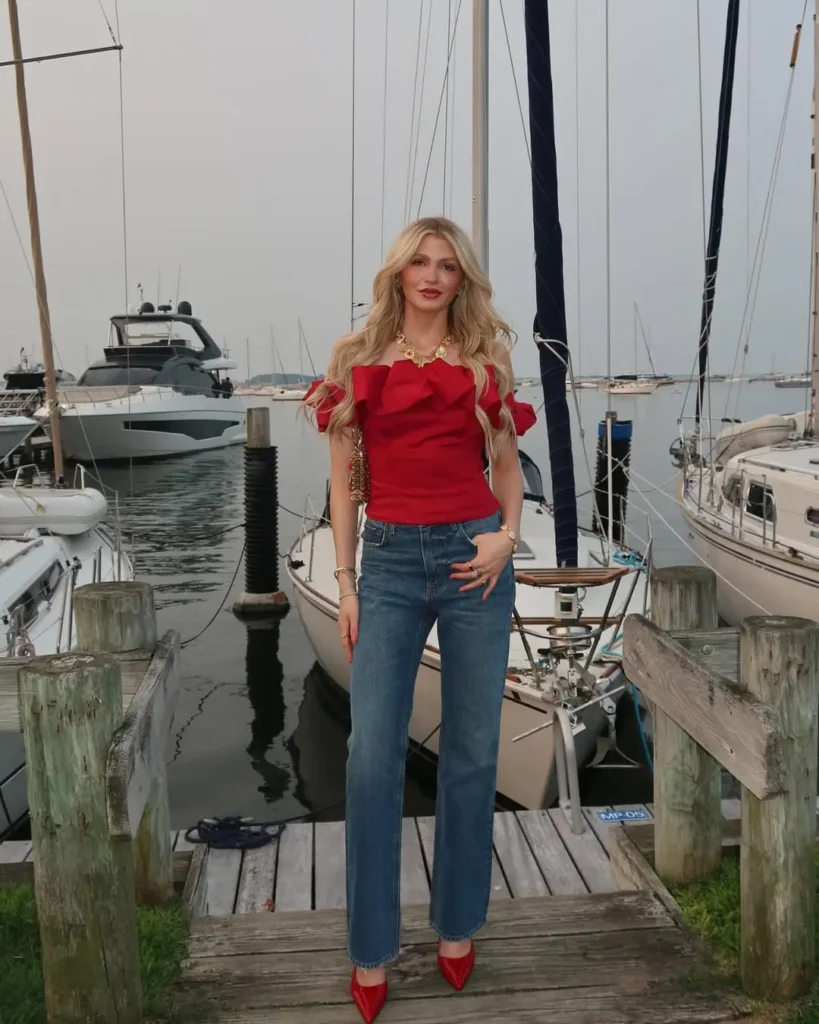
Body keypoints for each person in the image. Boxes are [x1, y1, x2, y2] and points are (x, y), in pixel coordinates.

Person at [304, 216, 535, 1022]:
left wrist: (506, 539)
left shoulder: (484, 364)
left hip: (477, 560)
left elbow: (505, 470)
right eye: (419, 263)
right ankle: (371, 944)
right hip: (392, 563)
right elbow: (342, 485)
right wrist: (346, 581)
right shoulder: (355, 364)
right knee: (371, 756)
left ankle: (457, 924)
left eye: (446, 266)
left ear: (460, 279)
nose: (433, 276)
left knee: (472, 751)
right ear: (398, 274)